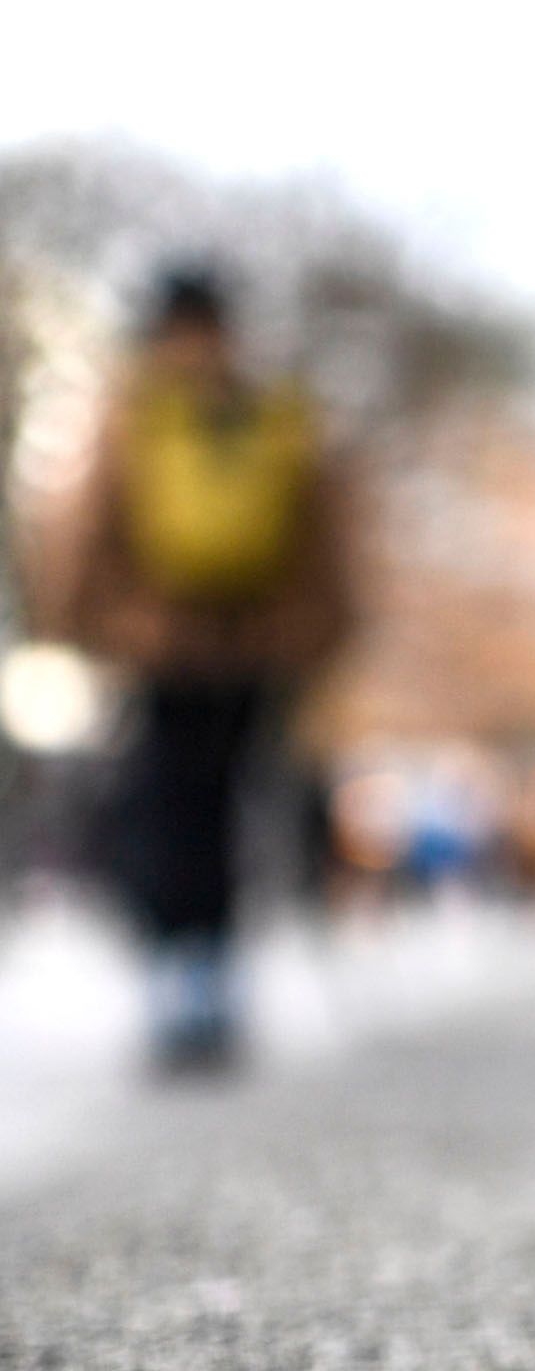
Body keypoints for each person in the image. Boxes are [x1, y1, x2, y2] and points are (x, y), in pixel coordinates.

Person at [52, 266, 355, 1071]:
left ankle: (182, 973)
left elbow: (81, 530)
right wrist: (317, 633)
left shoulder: (136, 414)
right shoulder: (271, 415)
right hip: (254, 645)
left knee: (168, 804)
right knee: (223, 807)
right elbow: (325, 542)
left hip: (163, 646)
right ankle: (207, 975)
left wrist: (90, 628)